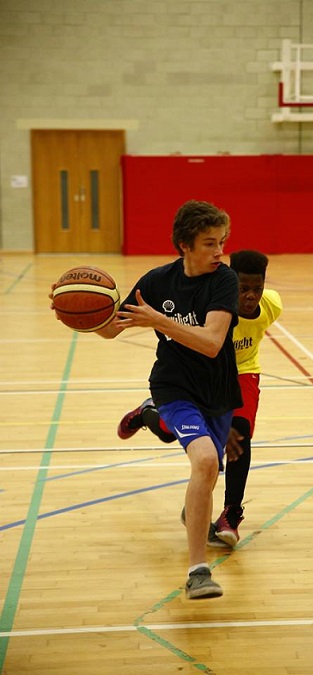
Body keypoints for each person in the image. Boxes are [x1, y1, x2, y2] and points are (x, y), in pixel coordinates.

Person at [52, 200, 242, 600]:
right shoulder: (156, 282)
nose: (220, 251)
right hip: (174, 386)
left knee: (206, 477)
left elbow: (211, 344)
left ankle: (152, 424)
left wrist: (157, 320)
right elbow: (110, 330)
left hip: (218, 390)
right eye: (210, 244)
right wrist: (77, 313)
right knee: (205, 461)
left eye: (222, 242)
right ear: (184, 246)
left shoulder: (224, 281)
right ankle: (198, 571)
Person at [118, 249, 282, 548]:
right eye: (243, 289)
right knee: (170, 434)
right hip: (202, 377)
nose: (250, 296)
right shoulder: (215, 304)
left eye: (256, 289)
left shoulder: (272, 306)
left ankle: (231, 512)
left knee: (240, 437)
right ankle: (147, 413)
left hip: (244, 372)